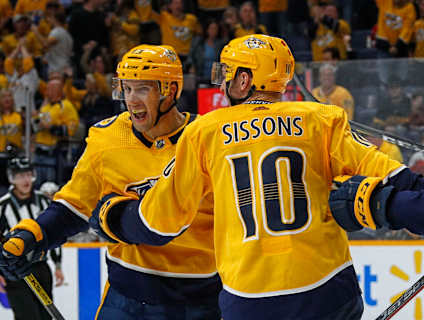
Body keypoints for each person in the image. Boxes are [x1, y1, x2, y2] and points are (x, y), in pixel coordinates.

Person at [78, 34, 408, 319]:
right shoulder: (322, 118)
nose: (221, 82)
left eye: (226, 74)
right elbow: (394, 174)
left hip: (251, 298)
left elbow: (159, 224)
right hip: (330, 289)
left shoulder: (205, 130)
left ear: (244, 80)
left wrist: (110, 215)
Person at [0, 44, 221, 320]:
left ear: (169, 90)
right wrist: (32, 236)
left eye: (143, 88)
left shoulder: (208, 139)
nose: (131, 99)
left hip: (198, 303)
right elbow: (75, 206)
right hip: (125, 300)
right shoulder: (108, 137)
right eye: (126, 88)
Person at [0, 157, 64, 320]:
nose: (25, 180)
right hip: (15, 271)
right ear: (12, 178)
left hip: (41, 268)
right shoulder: (1, 207)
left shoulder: (43, 202)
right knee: (26, 317)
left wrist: (58, 264)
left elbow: (54, 233)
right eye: (19, 176)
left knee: (46, 316)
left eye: (28, 174)